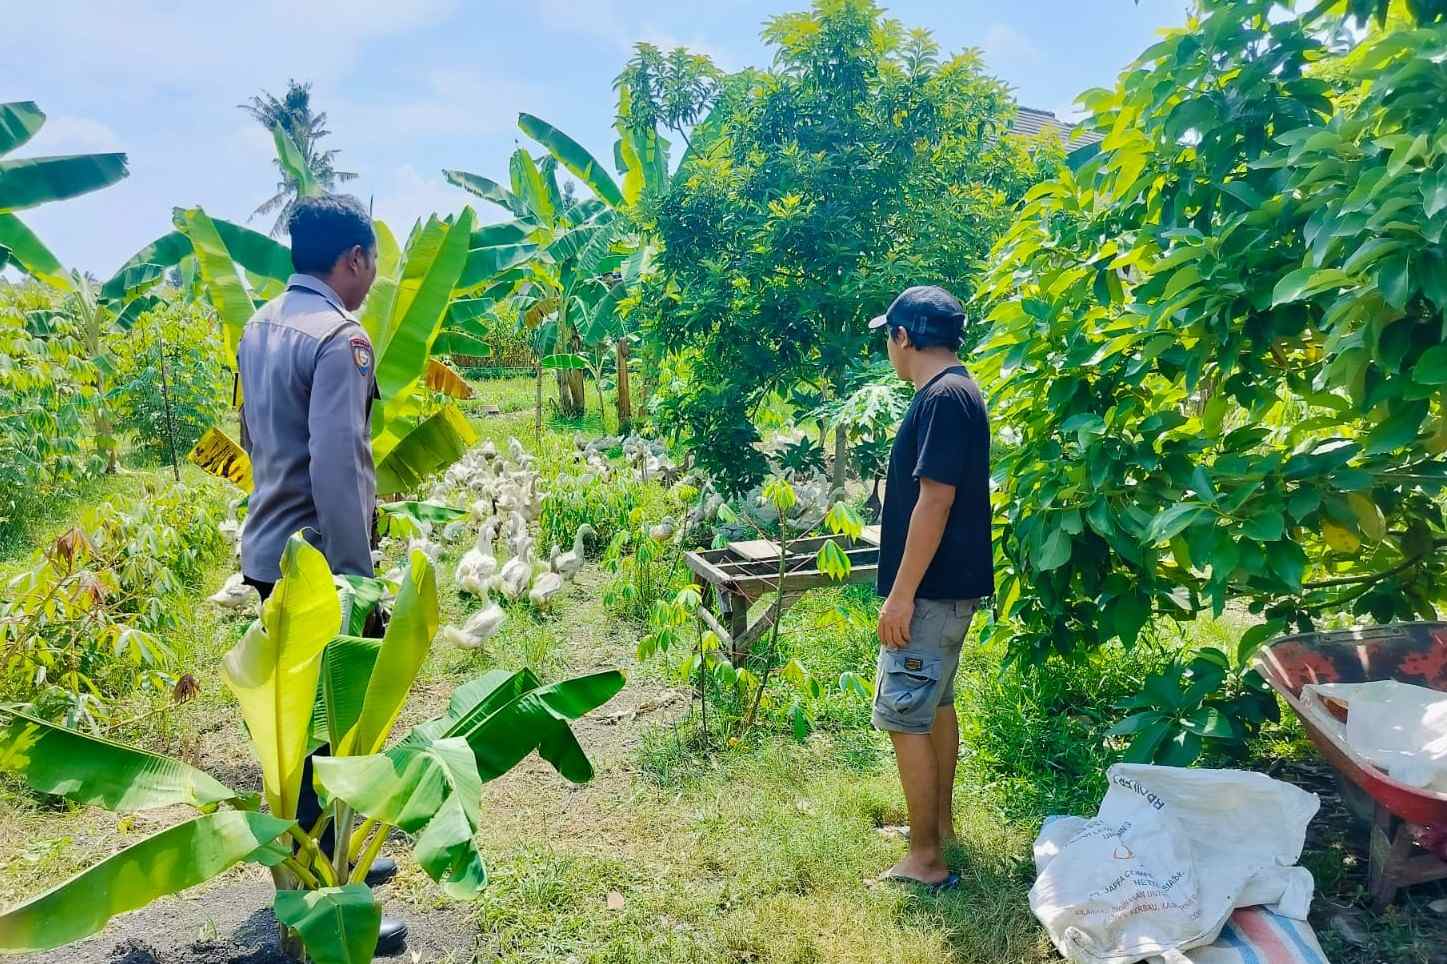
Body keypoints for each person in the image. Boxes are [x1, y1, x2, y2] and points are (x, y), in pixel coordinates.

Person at [237, 193, 406, 954]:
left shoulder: (259, 325)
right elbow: (339, 467)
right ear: (354, 260)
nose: (370, 281)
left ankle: (328, 867)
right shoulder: (341, 340)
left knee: (303, 734)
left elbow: (252, 438)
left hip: (268, 553)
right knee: (325, 738)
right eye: (370, 266)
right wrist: (357, 580)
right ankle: (323, 903)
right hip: (320, 567)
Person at [868, 285, 993, 892]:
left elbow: (934, 500)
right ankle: (936, 828)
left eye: (887, 338)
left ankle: (925, 859)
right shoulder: (955, 393)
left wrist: (900, 593)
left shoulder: (943, 398)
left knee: (904, 714)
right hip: (947, 590)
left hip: (930, 592)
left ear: (903, 337)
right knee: (934, 704)